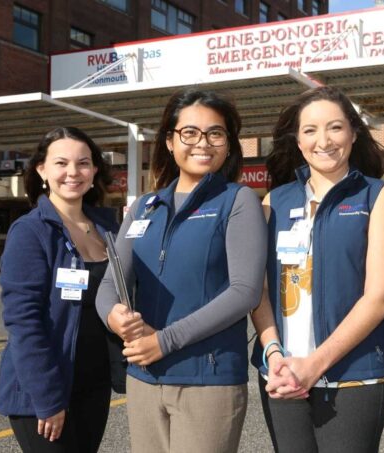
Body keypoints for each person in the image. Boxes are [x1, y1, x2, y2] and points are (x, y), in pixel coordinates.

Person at [96, 89, 266, 453]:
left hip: (207, 380)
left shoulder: (237, 201)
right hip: (144, 377)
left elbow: (245, 292)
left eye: (215, 133)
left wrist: (164, 341)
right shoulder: (144, 207)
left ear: (228, 144)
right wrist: (114, 316)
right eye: (189, 133)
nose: (202, 143)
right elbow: (112, 281)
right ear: (170, 142)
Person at [250, 85, 384, 452]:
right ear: (298, 140)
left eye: (335, 127)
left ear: (353, 133)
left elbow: (381, 298)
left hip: (353, 378)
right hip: (282, 374)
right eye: (310, 130)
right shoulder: (275, 201)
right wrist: (273, 353)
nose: (323, 140)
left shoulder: (377, 197)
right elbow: (258, 288)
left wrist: (314, 364)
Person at [0, 126, 118, 453]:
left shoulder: (108, 228)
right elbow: (23, 322)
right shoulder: (31, 232)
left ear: (94, 170)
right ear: (42, 170)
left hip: (94, 385)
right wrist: (48, 398)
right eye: (61, 163)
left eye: (83, 163)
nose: (73, 172)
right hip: (46, 389)